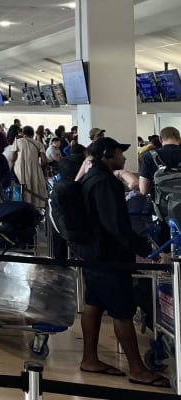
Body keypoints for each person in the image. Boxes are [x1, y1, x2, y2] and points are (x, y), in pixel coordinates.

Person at [75, 137, 168, 387]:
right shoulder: (104, 182)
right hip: (109, 256)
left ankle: (90, 358)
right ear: (106, 154)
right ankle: (137, 369)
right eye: (119, 152)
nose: (124, 157)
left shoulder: (92, 177)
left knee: (93, 304)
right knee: (122, 311)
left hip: (92, 254)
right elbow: (115, 224)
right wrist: (144, 247)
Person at [10, 126, 47, 206]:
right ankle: (35, 207)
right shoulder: (39, 144)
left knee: (22, 189)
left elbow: (13, 157)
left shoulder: (17, 142)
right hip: (35, 169)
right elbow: (44, 160)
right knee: (35, 188)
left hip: (20, 169)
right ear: (33, 134)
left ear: (23, 133)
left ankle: (22, 206)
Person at [139, 126, 181, 196]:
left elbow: (144, 190)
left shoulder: (149, 156)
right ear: (179, 139)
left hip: (161, 204)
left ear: (160, 139)